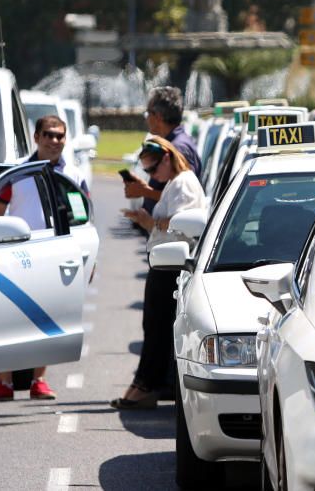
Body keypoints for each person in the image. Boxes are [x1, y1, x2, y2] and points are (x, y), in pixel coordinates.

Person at [0, 115, 89, 402]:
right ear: (37, 138)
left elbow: (83, 217)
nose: (54, 141)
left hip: (56, 254)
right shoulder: (17, 173)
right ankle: (3, 382)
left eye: (59, 136)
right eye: (49, 135)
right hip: (16, 254)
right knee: (10, 315)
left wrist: (88, 259)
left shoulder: (75, 175)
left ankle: (38, 380)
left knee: (48, 316)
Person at [113, 137, 205, 409]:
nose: (152, 178)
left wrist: (155, 222)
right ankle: (143, 383)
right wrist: (147, 222)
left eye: (153, 171)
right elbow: (166, 226)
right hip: (163, 261)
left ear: (167, 158)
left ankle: (146, 385)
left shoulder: (184, 182)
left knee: (157, 328)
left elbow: (181, 224)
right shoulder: (173, 184)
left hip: (171, 266)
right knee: (153, 327)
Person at [124, 86, 200, 216]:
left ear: (158, 117)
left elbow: (183, 197)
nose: (146, 119)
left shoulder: (179, 148)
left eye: (148, 113)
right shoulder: (173, 143)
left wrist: (144, 191)